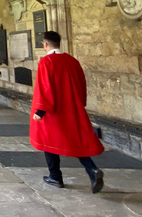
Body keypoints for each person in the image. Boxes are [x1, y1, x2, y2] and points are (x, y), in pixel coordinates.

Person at [30, 31, 105, 193]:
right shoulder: (72, 61)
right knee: (74, 141)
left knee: (48, 142)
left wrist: (40, 110)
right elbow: (81, 84)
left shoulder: (46, 62)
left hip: (53, 111)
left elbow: (45, 87)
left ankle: (55, 176)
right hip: (72, 109)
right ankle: (92, 170)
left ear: (45, 44)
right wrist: (79, 104)